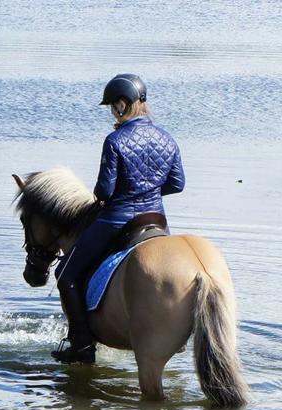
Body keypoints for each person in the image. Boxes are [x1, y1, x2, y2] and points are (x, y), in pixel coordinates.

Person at [51, 73, 185, 364]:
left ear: (123, 104)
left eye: (114, 105)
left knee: (66, 274)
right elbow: (177, 184)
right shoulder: (168, 138)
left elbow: (104, 191)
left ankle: (82, 345)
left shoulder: (114, 140)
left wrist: (127, 193)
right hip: (156, 220)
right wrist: (147, 191)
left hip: (117, 219)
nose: (113, 111)